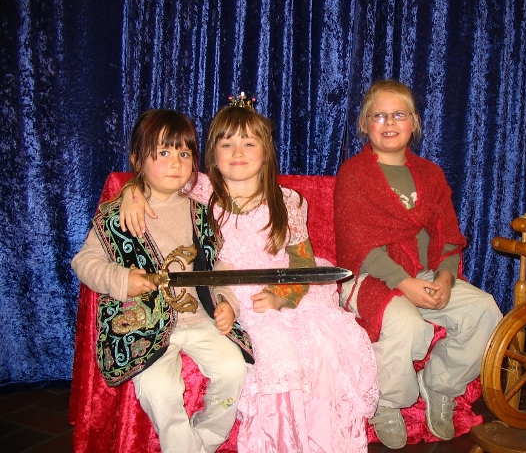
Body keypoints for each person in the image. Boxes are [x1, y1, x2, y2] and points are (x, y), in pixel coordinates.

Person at [120, 102, 379, 452]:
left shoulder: (286, 201)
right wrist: (130, 192)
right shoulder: (198, 191)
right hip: (224, 297)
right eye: (226, 144)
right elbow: (153, 182)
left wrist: (280, 296)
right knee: (276, 353)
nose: (237, 152)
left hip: (276, 293)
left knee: (315, 349)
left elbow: (302, 262)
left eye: (248, 143)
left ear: (266, 151)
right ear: (212, 154)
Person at [334, 80, 503, 448]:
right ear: (364, 124)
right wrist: (403, 283)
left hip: (424, 272)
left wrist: (445, 277)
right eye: (378, 115)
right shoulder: (354, 174)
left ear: (414, 122)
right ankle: (387, 401)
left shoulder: (430, 174)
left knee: (484, 309)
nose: (389, 122)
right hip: (369, 274)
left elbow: (449, 235)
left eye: (399, 114)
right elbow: (357, 244)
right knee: (406, 323)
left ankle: (440, 384)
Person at [71, 109, 248, 453]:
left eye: (184, 153)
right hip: (144, 327)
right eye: (163, 152)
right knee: (160, 389)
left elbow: (216, 266)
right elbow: (84, 262)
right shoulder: (117, 215)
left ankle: (203, 441)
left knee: (234, 370)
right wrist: (121, 279)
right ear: (138, 161)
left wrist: (226, 301)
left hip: (199, 319)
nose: (176, 163)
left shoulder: (200, 212)